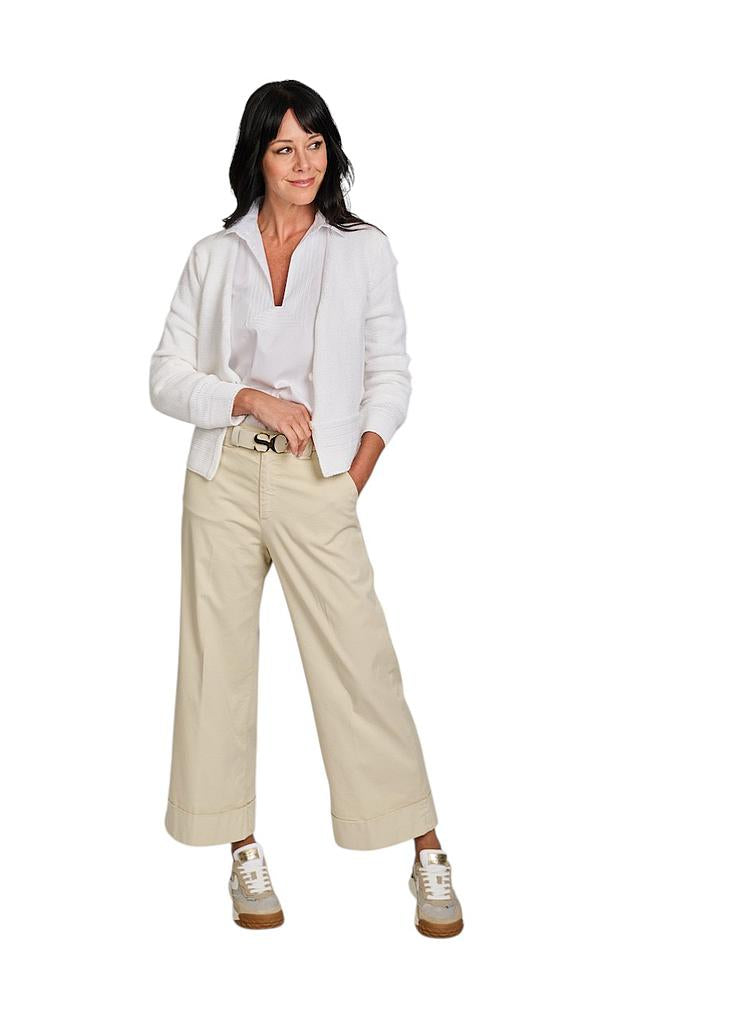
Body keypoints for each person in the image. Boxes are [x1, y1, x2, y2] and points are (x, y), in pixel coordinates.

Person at [148, 80, 463, 938]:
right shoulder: (215, 256)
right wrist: (247, 398)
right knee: (217, 665)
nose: (303, 163)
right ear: (256, 157)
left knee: (360, 661)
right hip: (221, 476)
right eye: (284, 147)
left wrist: (353, 473)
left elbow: (390, 371)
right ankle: (242, 848)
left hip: (317, 478)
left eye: (315, 144)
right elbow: (166, 377)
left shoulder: (362, 250)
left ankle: (425, 846)